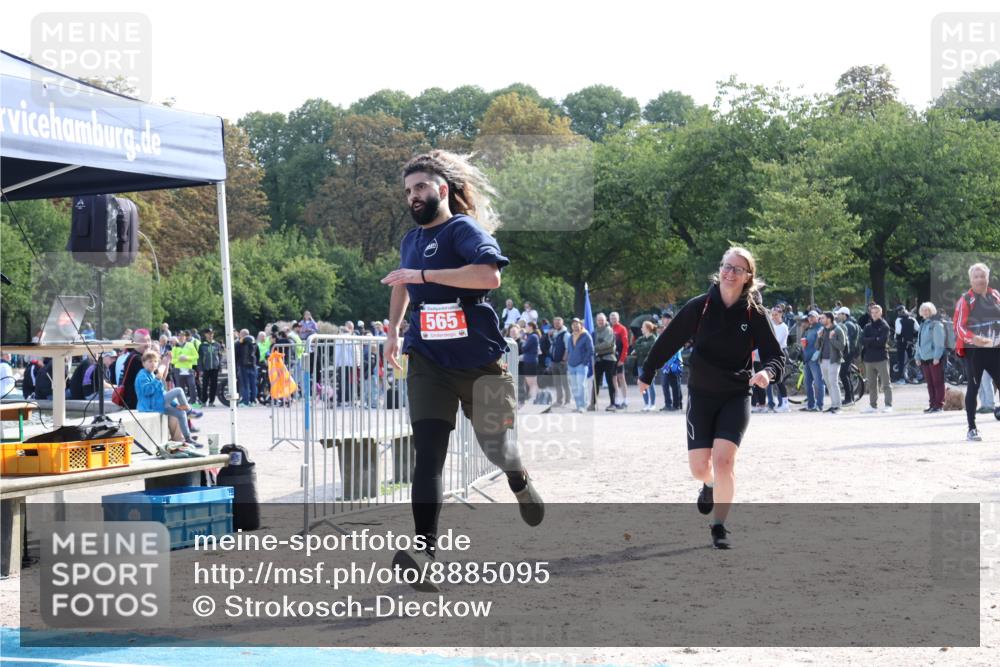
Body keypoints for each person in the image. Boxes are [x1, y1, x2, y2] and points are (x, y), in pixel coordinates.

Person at [381, 150, 544, 586]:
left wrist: (425, 277)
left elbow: (489, 277)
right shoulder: (411, 241)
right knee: (428, 456)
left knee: (498, 447)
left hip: (477, 361)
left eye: (420, 187)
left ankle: (518, 478)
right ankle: (425, 554)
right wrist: (393, 331)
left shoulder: (463, 230)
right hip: (428, 361)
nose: (413, 197)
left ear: (442, 189)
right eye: (407, 191)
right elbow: (401, 282)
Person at [639, 247, 784, 549]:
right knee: (699, 468)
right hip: (701, 395)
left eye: (738, 269)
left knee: (724, 461)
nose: (730, 273)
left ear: (748, 277)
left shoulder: (754, 313)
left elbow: (776, 356)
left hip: (736, 395)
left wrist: (767, 373)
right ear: (720, 270)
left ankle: (719, 526)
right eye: (726, 266)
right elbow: (669, 339)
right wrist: (648, 370)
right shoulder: (700, 306)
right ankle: (708, 484)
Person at [953, 262, 1000, 441]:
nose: (980, 279)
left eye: (983, 276)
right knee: (973, 387)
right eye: (976, 277)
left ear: (988, 278)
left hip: (995, 350)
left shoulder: (995, 295)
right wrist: (973, 338)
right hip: (974, 352)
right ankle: (972, 428)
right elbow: (958, 327)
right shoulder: (965, 300)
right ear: (971, 280)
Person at [135, 350, 199, 445]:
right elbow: (147, 391)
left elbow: (162, 392)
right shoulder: (142, 375)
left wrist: (175, 405)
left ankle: (188, 438)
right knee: (178, 390)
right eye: (150, 361)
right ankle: (189, 411)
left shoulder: (152, 374)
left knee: (181, 413)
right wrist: (157, 379)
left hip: (157, 404)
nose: (153, 364)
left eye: (155, 361)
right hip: (149, 406)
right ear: (143, 363)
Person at [860, 304, 893, 413]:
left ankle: (888, 405)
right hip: (869, 359)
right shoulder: (867, 326)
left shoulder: (885, 326)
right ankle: (873, 406)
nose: (874, 314)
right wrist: (874, 339)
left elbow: (881, 342)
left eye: (876, 312)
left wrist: (869, 340)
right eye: (872, 312)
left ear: (881, 313)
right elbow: (862, 340)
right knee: (871, 384)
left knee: (886, 383)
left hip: (881, 358)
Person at [916, 302, 946, 413]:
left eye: (927, 310)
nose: (925, 312)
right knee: (929, 383)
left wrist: (937, 357)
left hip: (934, 358)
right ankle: (932, 404)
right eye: (923, 310)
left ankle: (939, 405)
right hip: (924, 358)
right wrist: (917, 356)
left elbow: (939, 343)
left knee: (938, 382)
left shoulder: (936, 324)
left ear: (931, 311)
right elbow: (918, 343)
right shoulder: (922, 324)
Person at [815, 311, 847, 414]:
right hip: (823, 360)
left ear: (829, 319)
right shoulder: (823, 330)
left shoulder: (838, 330)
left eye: (823, 318)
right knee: (828, 383)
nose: (821, 320)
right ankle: (833, 405)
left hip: (834, 360)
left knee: (833, 382)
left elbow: (842, 346)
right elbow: (817, 347)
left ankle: (838, 406)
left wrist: (832, 338)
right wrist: (818, 337)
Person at [566, 318, 593, 413]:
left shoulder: (586, 335)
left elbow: (591, 350)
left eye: (577, 324)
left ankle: (583, 406)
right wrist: (568, 361)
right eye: (573, 324)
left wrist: (584, 362)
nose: (575, 326)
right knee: (574, 387)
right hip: (571, 365)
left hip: (581, 365)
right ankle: (578, 406)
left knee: (581, 386)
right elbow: (569, 350)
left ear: (581, 325)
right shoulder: (570, 337)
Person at [592, 313, 618, 411]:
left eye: (602, 320)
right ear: (596, 321)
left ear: (605, 320)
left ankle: (613, 403)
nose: (600, 322)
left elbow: (607, 343)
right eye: (599, 320)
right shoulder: (594, 331)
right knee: (596, 382)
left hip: (609, 359)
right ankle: (593, 403)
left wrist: (594, 348)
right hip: (599, 359)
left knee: (610, 381)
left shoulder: (609, 330)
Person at [800, 310, 825, 412]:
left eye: (813, 317)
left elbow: (822, 344)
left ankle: (819, 405)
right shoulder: (808, 329)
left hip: (815, 360)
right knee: (807, 383)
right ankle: (811, 405)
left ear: (818, 318)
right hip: (807, 360)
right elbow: (805, 343)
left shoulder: (821, 328)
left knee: (818, 383)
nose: (810, 318)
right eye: (809, 317)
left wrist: (816, 355)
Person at [835, 306, 860, 406]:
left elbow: (846, 341)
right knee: (846, 375)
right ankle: (850, 398)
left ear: (844, 315)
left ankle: (849, 399)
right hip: (850, 353)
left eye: (839, 314)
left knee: (843, 375)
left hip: (848, 353)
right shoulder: (849, 323)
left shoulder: (848, 325)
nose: (837, 316)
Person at [767, 305, 790, 412]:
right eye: (772, 315)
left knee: (780, 379)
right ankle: (781, 403)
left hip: (781, 353)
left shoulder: (783, 327)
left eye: (776, 314)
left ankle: (785, 404)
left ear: (781, 314)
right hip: (773, 353)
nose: (774, 317)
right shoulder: (771, 324)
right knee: (775, 380)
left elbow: (777, 341)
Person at [631, 321, 657, 411]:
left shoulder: (653, 338)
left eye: (643, 327)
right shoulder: (640, 338)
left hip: (650, 364)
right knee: (642, 384)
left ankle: (652, 404)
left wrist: (640, 349)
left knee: (650, 384)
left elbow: (648, 349)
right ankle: (646, 404)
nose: (641, 329)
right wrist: (641, 348)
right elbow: (635, 346)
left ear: (648, 328)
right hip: (640, 364)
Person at [170, 330, 199, 405]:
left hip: (189, 369)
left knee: (192, 385)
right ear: (177, 337)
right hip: (178, 370)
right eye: (179, 335)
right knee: (180, 387)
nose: (181, 337)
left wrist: (187, 358)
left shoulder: (190, 345)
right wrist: (178, 359)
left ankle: (193, 402)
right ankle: (183, 403)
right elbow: (172, 360)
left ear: (185, 337)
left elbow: (196, 356)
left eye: (183, 335)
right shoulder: (175, 347)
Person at [548, 317, 572, 407]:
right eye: (555, 323)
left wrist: (564, 360)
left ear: (562, 323)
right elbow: (552, 345)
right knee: (557, 383)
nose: (556, 324)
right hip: (554, 362)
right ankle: (559, 401)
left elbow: (568, 348)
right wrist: (550, 336)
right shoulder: (554, 333)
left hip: (562, 363)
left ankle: (568, 401)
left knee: (565, 383)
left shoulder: (566, 334)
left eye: (558, 323)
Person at [609, 312, 630, 409]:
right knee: (613, 378)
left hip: (619, 357)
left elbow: (626, 345)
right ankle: (616, 399)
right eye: (611, 318)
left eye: (615, 318)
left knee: (621, 377)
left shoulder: (622, 328)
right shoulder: (609, 328)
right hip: (611, 358)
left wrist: (622, 359)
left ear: (618, 318)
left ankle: (625, 400)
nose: (613, 319)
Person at [198, 329, 222, 407]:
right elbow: (200, 358)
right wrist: (200, 369)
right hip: (206, 368)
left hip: (215, 368)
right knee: (205, 385)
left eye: (212, 333)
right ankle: (204, 401)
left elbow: (219, 356)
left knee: (214, 385)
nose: (210, 335)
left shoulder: (217, 344)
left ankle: (211, 401)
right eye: (208, 333)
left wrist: (220, 366)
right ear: (205, 335)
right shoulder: (202, 345)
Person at [894, 307, 919, 384]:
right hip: (910, 342)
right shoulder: (912, 319)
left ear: (899, 313)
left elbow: (898, 331)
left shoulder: (898, 320)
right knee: (911, 359)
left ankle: (902, 378)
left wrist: (896, 337)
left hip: (901, 342)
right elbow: (918, 329)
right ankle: (914, 377)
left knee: (900, 360)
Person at [235, 329, 258, 407]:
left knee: (245, 385)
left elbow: (236, 356)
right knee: (253, 384)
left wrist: (236, 366)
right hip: (253, 366)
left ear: (241, 335)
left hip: (243, 366)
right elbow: (257, 355)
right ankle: (253, 401)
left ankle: (245, 401)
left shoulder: (238, 344)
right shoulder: (254, 343)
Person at [520, 321, 541, 402]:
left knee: (531, 382)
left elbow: (524, 348)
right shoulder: (531, 336)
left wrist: (523, 340)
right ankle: (537, 398)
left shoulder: (533, 337)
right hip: (529, 360)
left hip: (530, 361)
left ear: (531, 327)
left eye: (527, 326)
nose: (525, 328)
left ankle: (535, 398)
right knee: (531, 381)